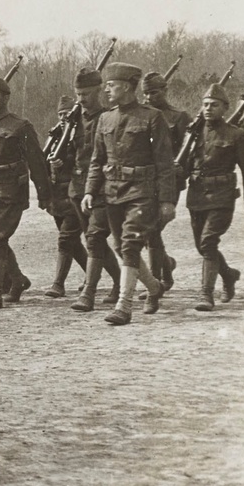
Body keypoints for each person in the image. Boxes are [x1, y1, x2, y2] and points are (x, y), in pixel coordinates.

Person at [83, 63, 176, 325]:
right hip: (112, 191)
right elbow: (96, 159)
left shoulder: (152, 117)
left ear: (126, 86)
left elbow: (165, 163)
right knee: (121, 246)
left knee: (131, 243)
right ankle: (154, 287)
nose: (107, 90)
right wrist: (90, 190)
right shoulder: (105, 118)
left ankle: (124, 306)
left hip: (142, 192)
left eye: (110, 85)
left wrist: (167, 200)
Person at [0, 75, 51, 310]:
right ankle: (17, 281)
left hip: (10, 190)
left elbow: (37, 162)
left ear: (5, 98)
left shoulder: (20, 126)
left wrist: (44, 194)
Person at [182, 83, 244, 311]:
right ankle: (228, 275)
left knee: (208, 242)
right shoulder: (193, 133)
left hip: (222, 198)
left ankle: (206, 294)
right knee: (202, 247)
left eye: (214, 105)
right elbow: (184, 165)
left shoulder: (237, 135)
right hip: (196, 196)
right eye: (205, 104)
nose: (209, 108)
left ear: (225, 108)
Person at [62, 68, 122, 312]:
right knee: (92, 239)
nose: (80, 99)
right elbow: (71, 154)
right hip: (78, 189)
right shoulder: (74, 121)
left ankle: (89, 293)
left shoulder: (108, 117)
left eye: (85, 94)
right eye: (77, 94)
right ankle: (120, 282)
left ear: (99, 92)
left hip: (102, 187)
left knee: (96, 237)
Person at [141, 71, 191, 293]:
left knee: (152, 229)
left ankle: (157, 280)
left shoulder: (179, 117)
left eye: (153, 92)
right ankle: (166, 268)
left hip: (170, 181)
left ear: (164, 91)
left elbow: (190, 150)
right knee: (149, 230)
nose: (149, 97)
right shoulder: (143, 116)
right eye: (145, 94)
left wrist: (184, 169)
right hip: (146, 180)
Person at [43, 96, 88, 298]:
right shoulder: (55, 136)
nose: (63, 117)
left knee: (65, 239)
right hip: (57, 198)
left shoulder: (80, 134)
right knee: (73, 242)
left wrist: (65, 163)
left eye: (66, 113)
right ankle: (93, 275)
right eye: (60, 114)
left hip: (74, 195)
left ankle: (58, 284)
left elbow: (83, 161)